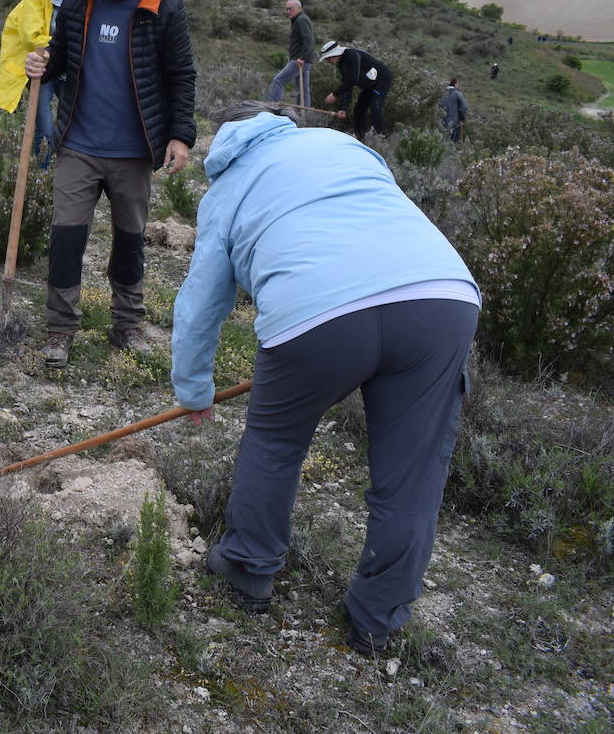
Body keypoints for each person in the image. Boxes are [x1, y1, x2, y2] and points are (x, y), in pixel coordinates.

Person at [172, 101, 479, 656]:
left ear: (225, 143)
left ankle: (248, 571)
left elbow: (201, 304)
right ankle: (377, 618)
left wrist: (194, 389)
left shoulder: (227, 188)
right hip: (440, 295)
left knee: (275, 441)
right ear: (282, 122)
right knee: (411, 478)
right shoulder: (341, 144)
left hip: (315, 311)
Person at [24, 0, 197, 367]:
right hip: (78, 143)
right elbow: (60, 57)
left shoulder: (164, 8)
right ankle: (60, 330)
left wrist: (179, 135)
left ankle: (128, 325)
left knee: (129, 239)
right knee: (66, 237)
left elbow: (181, 76)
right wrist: (41, 61)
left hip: (135, 148)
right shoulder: (80, 0)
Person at [0, 0, 88, 169]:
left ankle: (64, 173)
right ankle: (40, 174)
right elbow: (31, 37)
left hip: (68, 71)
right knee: (45, 129)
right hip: (43, 73)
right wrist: (60, 47)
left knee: (74, 124)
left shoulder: (78, 0)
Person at [321, 40, 394, 140]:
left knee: (375, 107)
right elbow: (347, 85)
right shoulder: (341, 64)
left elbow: (353, 80)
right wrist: (343, 108)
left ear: (333, 55)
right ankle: (360, 137)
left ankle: (380, 138)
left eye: (327, 59)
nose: (327, 62)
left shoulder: (352, 55)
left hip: (382, 80)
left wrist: (335, 94)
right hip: (370, 84)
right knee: (359, 109)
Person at [265, 0, 314, 105]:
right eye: (287, 9)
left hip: (299, 60)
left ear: (299, 8)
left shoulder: (300, 20)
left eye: (290, 9)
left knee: (278, 81)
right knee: (303, 90)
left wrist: (302, 58)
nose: (288, 11)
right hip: (304, 60)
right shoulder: (301, 19)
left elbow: (308, 39)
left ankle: (271, 108)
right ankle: (304, 114)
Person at [439, 78, 469, 142]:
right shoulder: (457, 93)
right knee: (453, 143)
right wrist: (462, 119)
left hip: (441, 122)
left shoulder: (441, 93)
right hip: (454, 123)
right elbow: (464, 107)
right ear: (455, 84)